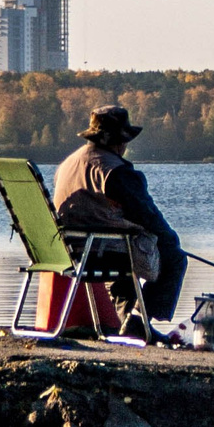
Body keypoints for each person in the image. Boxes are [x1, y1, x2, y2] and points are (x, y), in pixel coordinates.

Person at [51, 104, 187, 337]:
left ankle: (129, 323)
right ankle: (138, 321)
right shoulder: (114, 171)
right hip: (98, 251)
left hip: (68, 249)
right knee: (173, 256)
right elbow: (149, 217)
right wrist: (170, 240)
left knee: (125, 248)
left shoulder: (69, 163)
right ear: (120, 142)